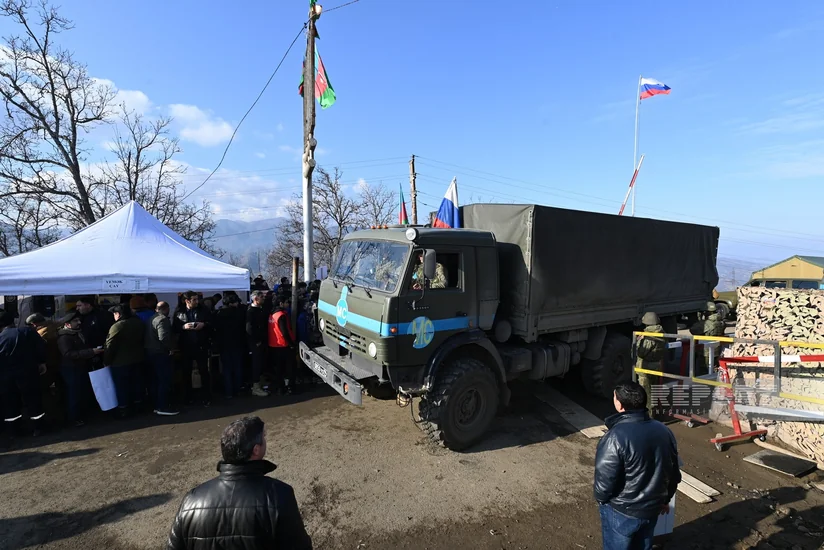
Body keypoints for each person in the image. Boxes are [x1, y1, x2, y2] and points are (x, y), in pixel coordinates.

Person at [166, 416, 312, 550]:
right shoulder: (279, 495)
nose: (266, 441)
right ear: (256, 450)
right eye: (264, 437)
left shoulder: (191, 501)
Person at [594, 381, 681, 550]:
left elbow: (604, 482)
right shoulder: (663, 431)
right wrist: (665, 499)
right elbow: (673, 472)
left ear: (619, 404)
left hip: (621, 510)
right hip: (652, 508)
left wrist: (602, 500)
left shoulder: (614, 437)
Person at [0, 310, 47, 436]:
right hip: (28, 373)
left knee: (10, 403)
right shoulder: (27, 332)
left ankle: (13, 430)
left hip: (6, 377)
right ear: (13, 321)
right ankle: (38, 428)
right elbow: (41, 347)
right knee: (33, 400)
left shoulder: (1, 337)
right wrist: (42, 362)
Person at [57, 312, 104, 426]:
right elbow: (68, 354)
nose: (79, 323)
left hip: (81, 366)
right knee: (73, 393)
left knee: (81, 392)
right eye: (75, 321)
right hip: (71, 369)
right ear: (67, 324)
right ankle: (73, 418)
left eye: (79, 320)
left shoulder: (77, 333)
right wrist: (90, 352)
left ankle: (81, 414)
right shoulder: (64, 337)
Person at [105, 304, 146, 417]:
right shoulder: (138, 322)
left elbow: (110, 345)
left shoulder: (117, 326)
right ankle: (139, 406)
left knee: (121, 387)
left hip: (120, 362)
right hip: (138, 359)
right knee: (137, 384)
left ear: (118, 314)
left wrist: (106, 361)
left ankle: (123, 409)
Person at [173, 291, 213, 406]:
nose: (197, 301)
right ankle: (187, 397)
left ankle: (207, 397)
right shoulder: (179, 312)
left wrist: (204, 325)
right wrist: (183, 326)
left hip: (201, 345)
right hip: (186, 346)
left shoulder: (203, 310)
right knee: (186, 372)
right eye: (194, 299)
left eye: (197, 299)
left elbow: (212, 323)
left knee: (204, 371)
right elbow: (174, 328)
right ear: (187, 301)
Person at [146, 301, 178, 416]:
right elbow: (163, 338)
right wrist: (170, 349)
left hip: (151, 353)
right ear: (167, 309)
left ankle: (157, 405)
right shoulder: (162, 320)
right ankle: (163, 406)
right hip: (161, 354)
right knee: (164, 381)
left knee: (155, 381)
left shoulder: (151, 318)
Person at [214, 294, 247, 399]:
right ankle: (237, 389)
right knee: (237, 367)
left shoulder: (219, 314)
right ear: (232, 303)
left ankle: (228, 392)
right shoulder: (239, 313)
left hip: (224, 344)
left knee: (226, 369)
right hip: (237, 343)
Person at [635, 312, 665, 418]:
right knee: (653, 390)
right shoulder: (661, 333)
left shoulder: (648, 337)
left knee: (646, 394)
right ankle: (654, 413)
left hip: (645, 369)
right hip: (656, 367)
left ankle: (649, 417)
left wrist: (639, 341)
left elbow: (641, 352)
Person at [268, 295, 296, 394]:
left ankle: (280, 387)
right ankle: (290, 387)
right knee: (289, 367)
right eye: (286, 302)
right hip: (283, 345)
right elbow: (284, 332)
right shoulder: (281, 315)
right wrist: (291, 344)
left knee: (279, 368)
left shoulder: (272, 314)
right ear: (281, 303)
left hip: (273, 344)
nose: (288, 304)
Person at [245, 290, 270, 397]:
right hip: (255, 343)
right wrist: (256, 341)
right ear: (256, 299)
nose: (263, 299)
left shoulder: (261, 309)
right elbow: (249, 328)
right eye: (261, 297)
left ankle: (261, 381)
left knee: (262, 362)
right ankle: (255, 387)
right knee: (256, 364)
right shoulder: (251, 311)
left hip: (263, 341)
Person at [690, 302, 726, 373]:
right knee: (715, 368)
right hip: (717, 349)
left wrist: (699, 319)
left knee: (705, 371)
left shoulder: (706, 323)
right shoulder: (721, 322)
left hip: (705, 352)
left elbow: (693, 330)